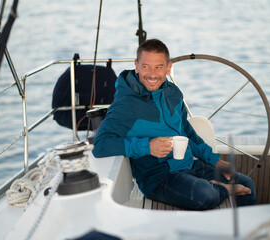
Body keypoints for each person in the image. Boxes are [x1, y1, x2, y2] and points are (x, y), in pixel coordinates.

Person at [92, 38, 256, 210]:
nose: (152, 74)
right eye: (146, 66)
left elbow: (187, 132)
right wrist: (147, 146)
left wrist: (215, 161)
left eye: (159, 67)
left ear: (169, 67)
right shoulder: (125, 104)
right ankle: (221, 189)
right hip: (158, 177)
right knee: (206, 195)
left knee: (247, 183)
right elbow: (101, 145)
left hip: (190, 165)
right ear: (137, 65)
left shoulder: (174, 94)